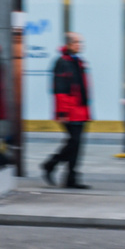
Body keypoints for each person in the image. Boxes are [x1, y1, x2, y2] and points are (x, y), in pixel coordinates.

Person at [41, 32, 91, 189]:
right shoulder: (62, 62)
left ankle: (70, 177)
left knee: (76, 144)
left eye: (80, 42)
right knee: (74, 142)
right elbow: (60, 90)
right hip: (70, 111)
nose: (79, 45)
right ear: (69, 44)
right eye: (77, 42)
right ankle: (51, 164)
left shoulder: (78, 62)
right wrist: (62, 113)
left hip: (80, 110)